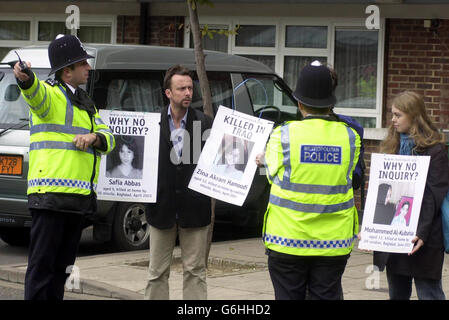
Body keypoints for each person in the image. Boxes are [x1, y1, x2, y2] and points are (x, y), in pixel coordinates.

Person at [13, 34, 115, 300]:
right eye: (84, 64)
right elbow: (34, 92)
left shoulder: (86, 102)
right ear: (67, 71)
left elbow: (110, 139)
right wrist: (25, 78)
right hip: (50, 198)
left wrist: (95, 137)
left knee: (61, 270)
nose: (89, 68)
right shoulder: (49, 95)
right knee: (41, 269)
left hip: (77, 200)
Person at [262, 62, 361, 300]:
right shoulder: (350, 137)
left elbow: (272, 175)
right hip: (334, 242)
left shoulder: (282, 135)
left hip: (286, 239)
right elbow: (349, 177)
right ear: (331, 102)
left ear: (299, 102)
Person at [144, 65, 213, 300]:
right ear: (168, 93)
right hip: (160, 208)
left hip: (195, 209)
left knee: (195, 272)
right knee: (156, 273)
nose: (187, 93)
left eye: (190, 88)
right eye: (181, 88)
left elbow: (223, 161)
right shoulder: (151, 124)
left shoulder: (204, 124)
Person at [373, 90, 449, 300]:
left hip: (424, 237)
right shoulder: (392, 147)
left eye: (398, 115)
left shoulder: (435, 151)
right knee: (397, 293)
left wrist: (421, 233)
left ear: (414, 116)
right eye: (392, 114)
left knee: (429, 294)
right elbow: (381, 194)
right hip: (395, 237)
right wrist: (374, 232)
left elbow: (434, 196)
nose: (393, 120)